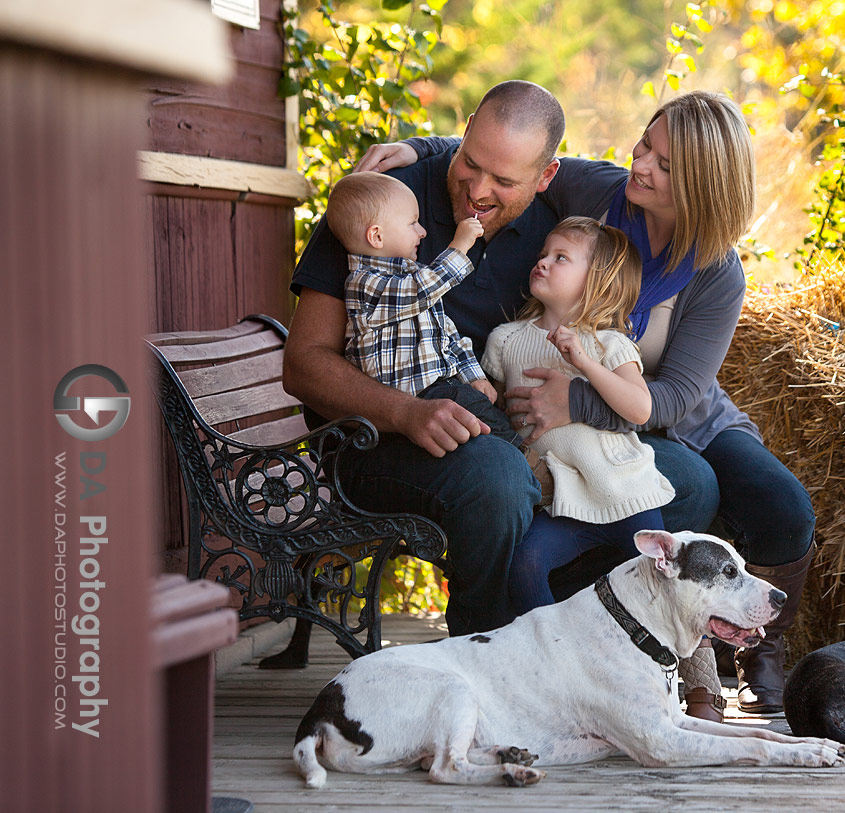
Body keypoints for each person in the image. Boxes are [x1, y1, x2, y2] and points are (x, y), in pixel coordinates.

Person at [356, 90, 817, 719]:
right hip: (604, 419)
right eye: (645, 143)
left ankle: (759, 658)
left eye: (664, 163)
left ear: (703, 186)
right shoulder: (602, 193)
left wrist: (576, 401)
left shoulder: (716, 272)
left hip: (683, 414)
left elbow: (678, 396)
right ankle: (581, 657)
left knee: (783, 505)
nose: (641, 162)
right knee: (670, 492)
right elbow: (508, 160)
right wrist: (418, 148)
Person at [285, 81, 716, 643]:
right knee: (499, 477)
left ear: (545, 178)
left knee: (688, 481)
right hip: (376, 438)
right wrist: (405, 413)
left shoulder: (550, 228)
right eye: (469, 162)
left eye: (504, 181)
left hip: (506, 428)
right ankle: (487, 651)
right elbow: (304, 363)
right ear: (462, 134)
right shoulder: (382, 204)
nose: (477, 191)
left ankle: (581, 639)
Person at [483, 217, 674, 613]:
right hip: (565, 499)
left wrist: (584, 363)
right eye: (543, 254)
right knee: (526, 565)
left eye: (561, 257)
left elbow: (640, 408)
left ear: (597, 280)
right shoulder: (506, 339)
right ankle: (554, 660)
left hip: (626, 492)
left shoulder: (608, 343)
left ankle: (689, 668)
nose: (544, 262)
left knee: (662, 582)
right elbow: (499, 408)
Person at [328, 171, 515, 444]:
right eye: (413, 223)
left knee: (481, 412)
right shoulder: (366, 286)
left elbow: (448, 335)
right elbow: (423, 289)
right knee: (485, 421)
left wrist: (474, 377)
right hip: (413, 398)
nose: (422, 231)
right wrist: (460, 245)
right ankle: (528, 463)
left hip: (442, 389)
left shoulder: (416, 278)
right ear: (377, 236)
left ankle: (518, 459)